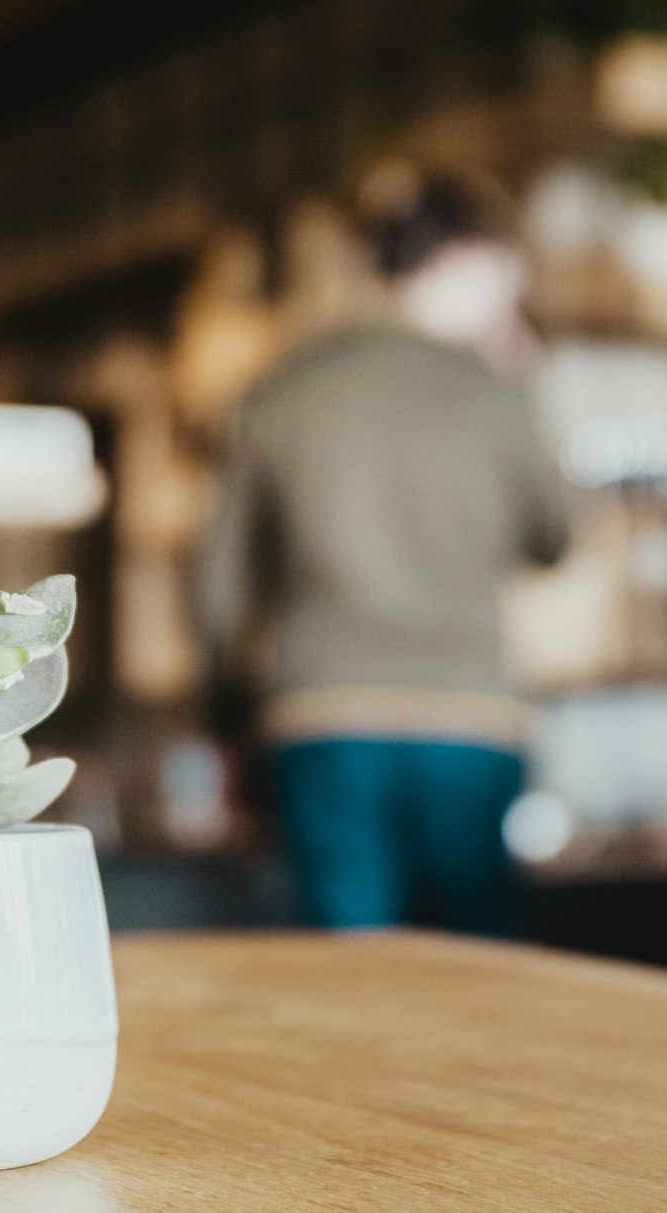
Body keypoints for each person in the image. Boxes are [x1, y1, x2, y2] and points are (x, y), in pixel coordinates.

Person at [193, 166, 567, 934]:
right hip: (472, 716)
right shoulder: (492, 390)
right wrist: (524, 381)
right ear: (462, 258)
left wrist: (230, 714)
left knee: (349, 966)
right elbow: (554, 536)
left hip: (323, 710)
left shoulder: (284, 390)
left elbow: (215, 582)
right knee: (478, 968)